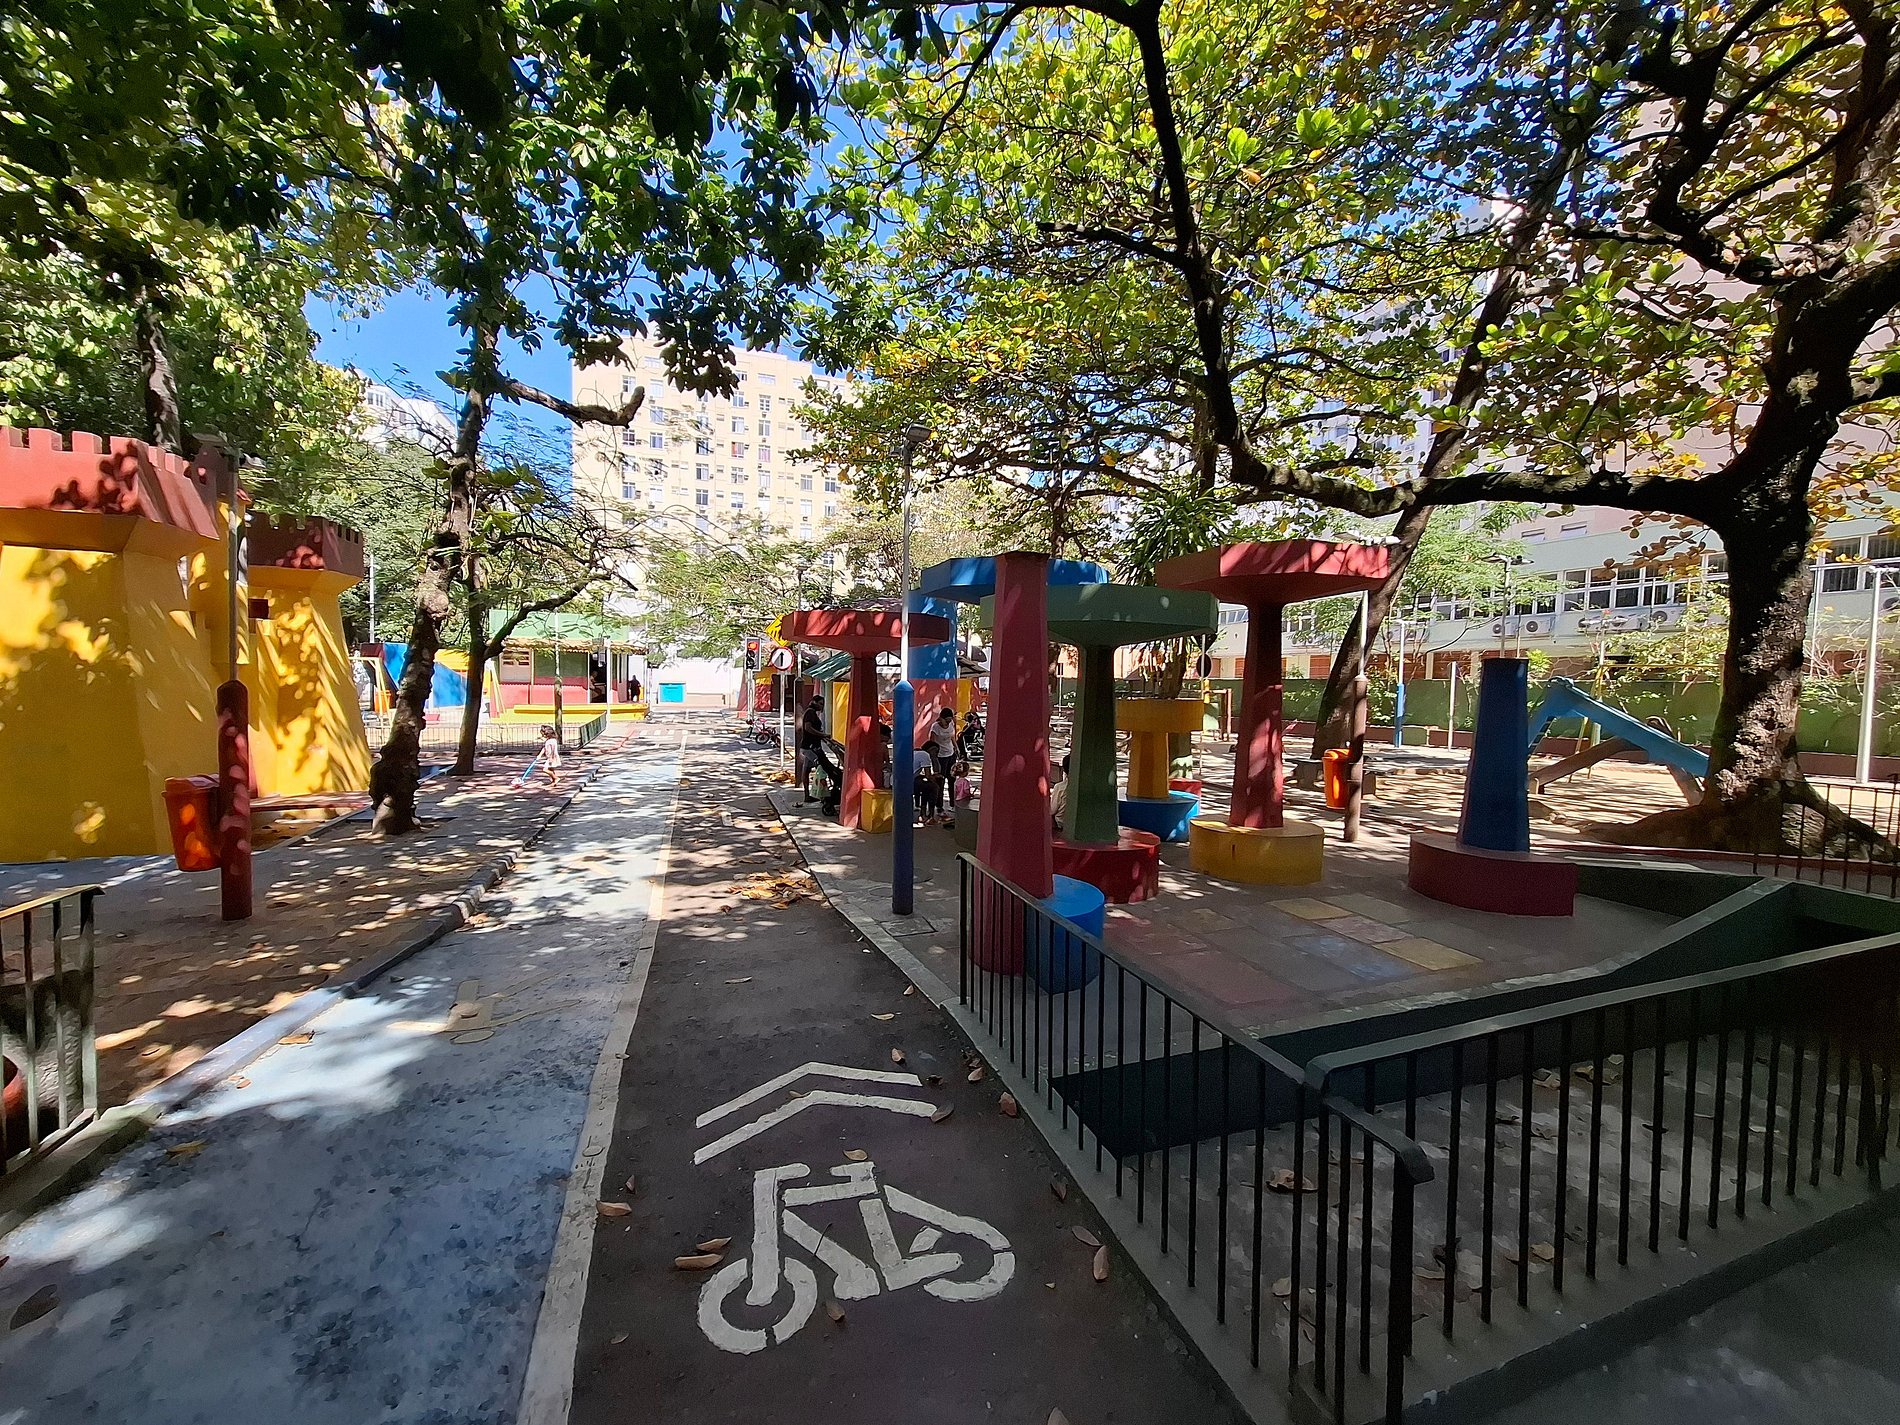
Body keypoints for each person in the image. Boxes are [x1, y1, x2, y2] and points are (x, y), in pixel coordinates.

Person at [518, 724, 562, 789]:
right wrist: (539, 755)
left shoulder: (552, 741)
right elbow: (544, 748)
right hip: (549, 757)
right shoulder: (548, 740)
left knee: (545, 769)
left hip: (552, 758)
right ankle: (554, 782)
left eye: (543, 734)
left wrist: (551, 758)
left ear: (548, 733)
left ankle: (556, 778)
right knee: (551, 770)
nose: (543, 736)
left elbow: (553, 750)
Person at [926, 707, 960, 779]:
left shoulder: (951, 724)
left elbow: (952, 737)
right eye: (946, 721)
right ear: (941, 718)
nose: (947, 723)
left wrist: (956, 747)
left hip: (950, 752)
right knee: (942, 775)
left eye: (949, 720)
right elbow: (932, 742)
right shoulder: (935, 727)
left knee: (952, 775)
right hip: (941, 755)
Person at [912, 744, 942, 823]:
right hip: (909, 782)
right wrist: (936, 776)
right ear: (931, 750)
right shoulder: (925, 755)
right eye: (935, 751)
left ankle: (923, 813)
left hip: (903, 780)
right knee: (934, 787)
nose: (936, 754)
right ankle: (931, 815)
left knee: (926, 786)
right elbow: (928, 775)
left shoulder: (916, 752)